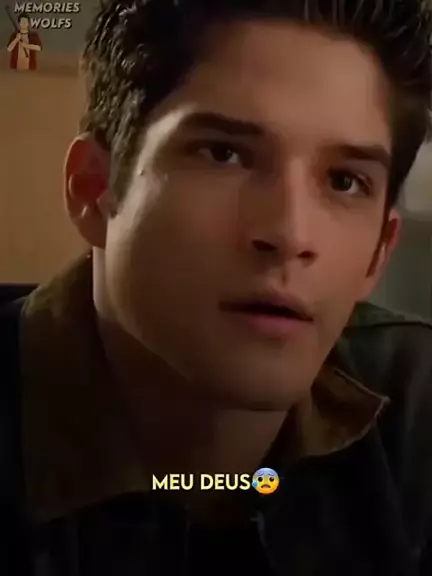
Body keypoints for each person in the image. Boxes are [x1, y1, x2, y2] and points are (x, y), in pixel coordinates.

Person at [1, 0, 432, 574]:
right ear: (94, 189)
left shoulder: (415, 408)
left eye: (344, 181)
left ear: (380, 250)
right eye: (224, 153)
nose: (290, 234)